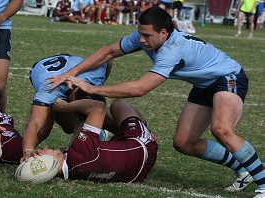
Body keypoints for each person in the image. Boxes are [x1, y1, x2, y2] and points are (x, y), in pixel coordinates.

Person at [47, 6, 265, 197]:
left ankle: (263, 183)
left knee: (222, 129)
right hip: (205, 84)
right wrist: (71, 72)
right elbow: (109, 51)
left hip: (228, 77)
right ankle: (243, 168)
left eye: (147, 36)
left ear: (164, 32)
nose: (141, 40)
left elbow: (140, 88)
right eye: (140, 34)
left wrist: (92, 88)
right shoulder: (146, 37)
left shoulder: (172, 50)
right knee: (184, 143)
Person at [33, 98, 157, 183]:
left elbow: (71, 147)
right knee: (117, 104)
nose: (42, 149)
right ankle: (143, 126)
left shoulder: (72, 170)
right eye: (39, 154)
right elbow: (98, 108)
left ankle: (110, 130)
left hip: (136, 173)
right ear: (47, 163)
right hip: (143, 144)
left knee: (84, 121)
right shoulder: (79, 153)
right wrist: (67, 106)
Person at [21, 54, 113, 162]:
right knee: (51, 127)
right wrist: (28, 150)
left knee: (92, 115)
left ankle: (93, 132)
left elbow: (109, 59)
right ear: (72, 98)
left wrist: (99, 86)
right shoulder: (49, 90)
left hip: (72, 63)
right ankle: (89, 134)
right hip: (43, 70)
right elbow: (35, 123)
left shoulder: (96, 74)